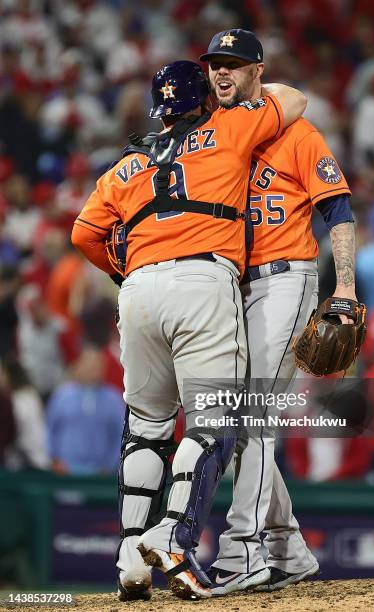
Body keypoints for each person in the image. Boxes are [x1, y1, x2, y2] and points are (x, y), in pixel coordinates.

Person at [71, 60, 306, 601]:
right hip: (203, 278)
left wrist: (123, 270)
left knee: (146, 427)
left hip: (138, 291)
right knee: (213, 422)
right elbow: (294, 100)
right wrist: (238, 92)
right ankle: (173, 541)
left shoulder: (126, 164)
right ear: (204, 99)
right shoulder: (227, 127)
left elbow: (84, 233)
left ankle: (131, 557)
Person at [199, 29, 355, 594]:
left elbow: (338, 212)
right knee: (242, 422)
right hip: (236, 288)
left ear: (258, 72)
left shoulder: (297, 130)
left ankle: (243, 551)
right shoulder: (216, 134)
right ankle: (288, 552)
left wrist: (346, 290)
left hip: (288, 278)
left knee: (254, 415)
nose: (223, 73)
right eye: (216, 63)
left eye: (235, 65)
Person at [46, 346, 124, 475]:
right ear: (78, 366)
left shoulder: (113, 399)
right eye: (88, 365)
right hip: (66, 472)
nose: (91, 370)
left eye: (96, 366)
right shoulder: (62, 396)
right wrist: (54, 460)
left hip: (101, 475)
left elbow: (119, 436)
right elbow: (50, 429)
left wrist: (110, 465)